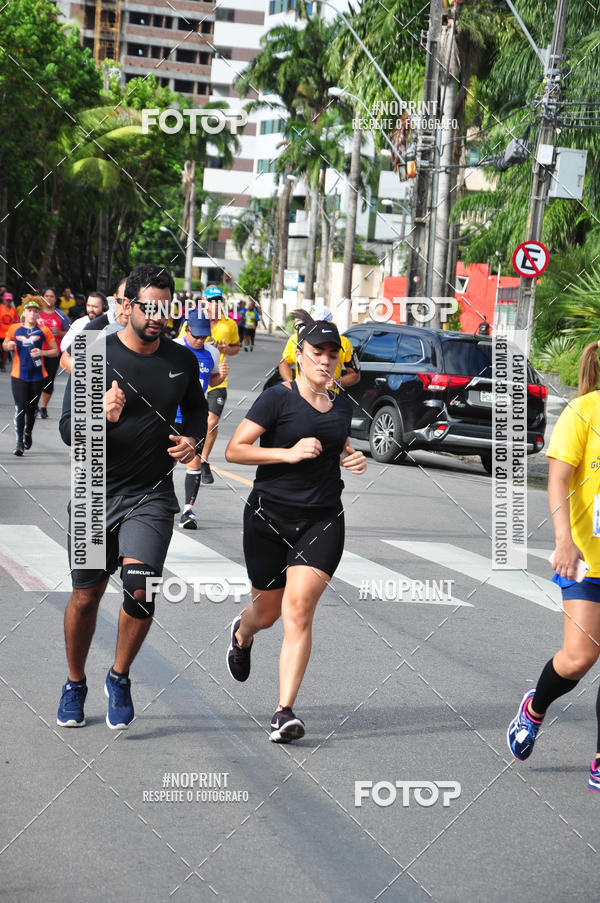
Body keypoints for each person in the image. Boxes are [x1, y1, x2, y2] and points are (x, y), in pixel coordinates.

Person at [56, 264, 208, 730]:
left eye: (165, 307)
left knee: (142, 591)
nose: (158, 316)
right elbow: (68, 430)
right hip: (94, 492)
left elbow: (197, 412)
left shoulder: (181, 360)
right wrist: (98, 414)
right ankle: (75, 682)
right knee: (86, 596)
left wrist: (192, 441)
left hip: (150, 495)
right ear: (127, 305)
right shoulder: (93, 352)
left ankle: (119, 675)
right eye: (149, 307)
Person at [224, 309, 367, 742]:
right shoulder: (277, 398)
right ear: (299, 355)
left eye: (332, 354)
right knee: (266, 614)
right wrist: (286, 454)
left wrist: (351, 457)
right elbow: (235, 450)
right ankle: (242, 633)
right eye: (316, 352)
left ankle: (283, 712)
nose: (325, 360)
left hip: (321, 518)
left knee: (299, 608)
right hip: (268, 517)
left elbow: (337, 443)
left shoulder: (341, 405)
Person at [507, 341, 600, 791]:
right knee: (579, 658)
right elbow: (559, 479)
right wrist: (564, 540)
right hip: (585, 558)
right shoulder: (584, 412)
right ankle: (535, 707)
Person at [174, 309, 229, 529]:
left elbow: (211, 380)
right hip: (171, 413)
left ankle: (188, 511)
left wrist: (221, 376)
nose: (199, 340)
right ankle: (157, 501)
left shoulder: (212, 352)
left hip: (195, 415)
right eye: (196, 335)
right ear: (187, 329)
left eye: (204, 336)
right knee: (167, 461)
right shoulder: (173, 348)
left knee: (194, 460)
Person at [2, 297, 58, 455]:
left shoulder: (44, 330)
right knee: (20, 408)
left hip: (37, 376)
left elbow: (55, 351)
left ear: (38, 314)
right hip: (18, 375)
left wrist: (42, 352)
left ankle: (28, 432)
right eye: (29, 310)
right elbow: (5, 344)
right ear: (24, 313)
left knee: (32, 409)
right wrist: (8, 345)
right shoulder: (14, 328)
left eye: (35, 311)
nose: (32, 313)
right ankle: (19, 442)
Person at [200, 285, 240, 485]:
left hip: (218, 379)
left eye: (218, 300)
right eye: (211, 300)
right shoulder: (194, 320)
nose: (215, 304)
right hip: (195, 379)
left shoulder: (229, 324)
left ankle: (203, 460)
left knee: (212, 421)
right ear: (203, 301)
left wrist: (226, 349)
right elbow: (181, 343)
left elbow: (236, 348)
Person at [278, 304, 360, 394]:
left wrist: (338, 383)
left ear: (328, 324)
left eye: (332, 355)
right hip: (301, 396)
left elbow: (355, 374)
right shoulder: (295, 339)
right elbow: (284, 363)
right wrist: (291, 384)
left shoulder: (343, 342)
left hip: (329, 397)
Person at [59, 279, 128, 374]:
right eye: (88, 305)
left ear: (104, 307)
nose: (91, 309)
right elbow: (65, 349)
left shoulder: (113, 324)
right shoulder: (80, 323)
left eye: (95, 307)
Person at [38, 288, 70, 418]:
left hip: (53, 353)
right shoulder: (36, 312)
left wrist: (60, 332)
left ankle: (43, 407)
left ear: (56, 299)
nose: (49, 298)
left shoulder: (61, 315)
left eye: (52, 296)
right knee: (35, 380)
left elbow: (70, 333)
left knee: (49, 380)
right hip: (36, 353)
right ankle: (33, 406)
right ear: (42, 297)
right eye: (46, 296)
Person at [0, 292, 19, 371]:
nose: (8, 302)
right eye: (7, 300)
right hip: (0, 332)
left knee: (5, 350)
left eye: (9, 300)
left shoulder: (13, 310)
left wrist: (15, 322)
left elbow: (17, 321)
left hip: (8, 334)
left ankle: (2, 365)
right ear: (3, 300)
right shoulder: (0, 308)